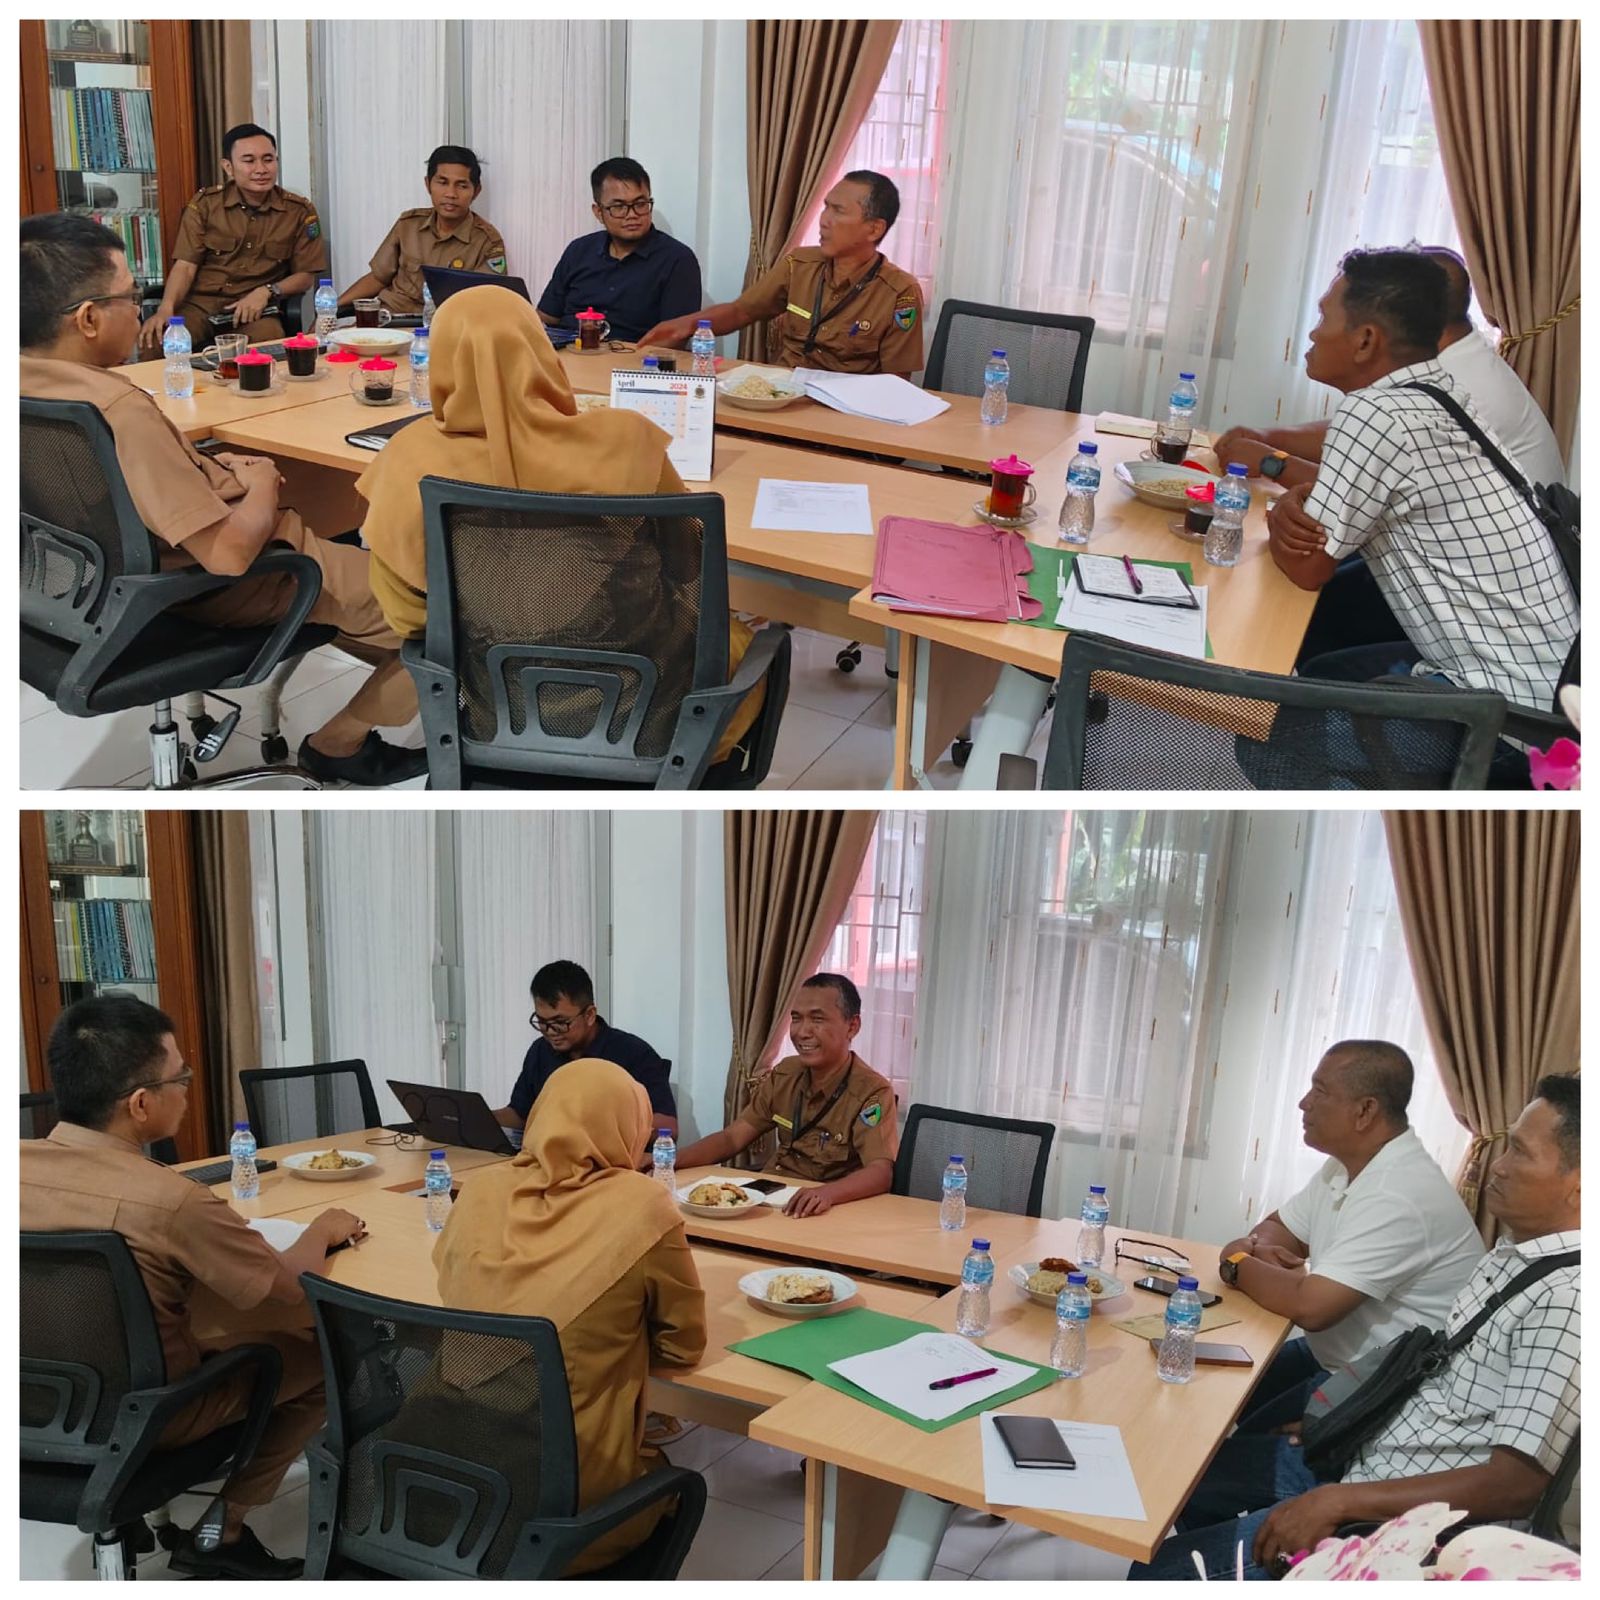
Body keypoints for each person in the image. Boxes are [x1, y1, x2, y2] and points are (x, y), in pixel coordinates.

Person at [20, 214, 424, 785]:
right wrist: (261, 481)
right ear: (88, 319)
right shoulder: (118, 408)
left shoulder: (28, 385)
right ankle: (340, 743)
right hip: (250, 577)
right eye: (131, 298)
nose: (141, 311)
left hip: (94, 588)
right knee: (456, 611)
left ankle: (377, 642)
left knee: (378, 572)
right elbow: (229, 556)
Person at [1130, 1075, 1580, 1580]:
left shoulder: (1569, 1300)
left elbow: (1515, 1484)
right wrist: (1358, 1415)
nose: (1496, 1164)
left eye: (1519, 1151)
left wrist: (1339, 1501)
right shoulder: (1515, 1252)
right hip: (1373, 1443)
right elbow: (1447, 1380)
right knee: (1194, 1477)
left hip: (1400, 1518)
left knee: (1158, 1573)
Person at [19, 996, 367, 1580]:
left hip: (28, 1404)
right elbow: (287, 1287)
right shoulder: (169, 1198)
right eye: (179, 1077)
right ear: (140, 1103)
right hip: (146, 1419)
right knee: (322, 1359)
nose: (186, 1087)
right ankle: (223, 1527)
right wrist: (322, 1230)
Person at [353, 284, 765, 766]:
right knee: (740, 641)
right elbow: (690, 570)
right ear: (541, 352)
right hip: (653, 715)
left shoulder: (407, 459)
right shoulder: (625, 439)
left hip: (497, 715)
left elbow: (407, 618)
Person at [1264, 248, 1578, 714]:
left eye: (1323, 316)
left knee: (1276, 730)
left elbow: (1308, 569)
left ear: (1366, 340)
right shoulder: (1442, 392)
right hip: (1553, 684)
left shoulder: (1375, 414)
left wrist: (1279, 518)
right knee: (1321, 664)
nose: (1312, 333)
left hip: (1508, 714)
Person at [434, 1060, 706, 1574]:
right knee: (664, 1473)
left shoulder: (480, 1192)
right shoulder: (642, 1207)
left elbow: (451, 1287)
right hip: (569, 1511)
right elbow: (683, 1345)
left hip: (445, 1478)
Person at [1215, 1042, 1480, 1434]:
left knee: (1212, 1477)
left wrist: (1236, 1262)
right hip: (1337, 1356)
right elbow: (1278, 1228)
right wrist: (1258, 1254)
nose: (1304, 1103)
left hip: (1391, 1389)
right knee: (1213, 1397)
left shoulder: (1398, 1191)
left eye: (1320, 1091)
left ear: (1365, 1111)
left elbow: (1312, 1309)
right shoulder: (1347, 1164)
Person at [1214, 246, 1566, 491]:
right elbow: (1357, 438)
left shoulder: (1457, 389)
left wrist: (1272, 460)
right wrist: (1270, 438)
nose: (1313, 331)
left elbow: (1359, 492)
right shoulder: (1447, 362)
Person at [638, 171, 925, 378]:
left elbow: (895, 384)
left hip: (845, 415)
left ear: (874, 228)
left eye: (837, 211)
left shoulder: (899, 292)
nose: (824, 220)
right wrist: (684, 326)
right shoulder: (799, 264)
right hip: (783, 397)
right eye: (825, 207)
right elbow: (741, 311)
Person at [672, 974, 897, 1217]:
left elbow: (880, 1172)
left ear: (852, 1026)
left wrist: (827, 1194)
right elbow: (733, 1138)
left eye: (817, 1019)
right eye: (796, 1019)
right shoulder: (785, 1074)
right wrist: (669, 1160)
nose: (802, 1032)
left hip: (822, 1209)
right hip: (771, 1199)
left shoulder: (871, 1092)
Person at [139, 124, 326, 352]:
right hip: (201, 306)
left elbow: (305, 276)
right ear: (228, 166)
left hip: (255, 310)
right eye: (249, 161)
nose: (261, 169)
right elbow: (185, 266)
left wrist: (267, 291)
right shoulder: (205, 206)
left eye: (268, 159)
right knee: (158, 341)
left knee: (267, 343)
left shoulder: (298, 211)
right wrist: (166, 309)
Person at [495, 959, 676, 1138]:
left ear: (589, 1015)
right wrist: (479, 1118)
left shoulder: (633, 1053)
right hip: (550, 1158)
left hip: (611, 1161)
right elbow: (520, 1114)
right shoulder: (540, 1051)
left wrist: (600, 1126)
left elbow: (668, 1127)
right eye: (542, 1022)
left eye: (560, 1022)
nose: (550, 1032)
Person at [537, 157, 701, 344]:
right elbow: (546, 316)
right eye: (619, 207)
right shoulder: (579, 251)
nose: (632, 215)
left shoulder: (677, 259)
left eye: (640, 204)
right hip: (568, 355)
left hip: (632, 363)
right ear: (598, 212)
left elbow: (675, 338)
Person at [337, 145, 507, 316]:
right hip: (390, 321)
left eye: (462, 186)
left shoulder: (487, 241)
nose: (450, 193)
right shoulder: (408, 225)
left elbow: (487, 301)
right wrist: (330, 309)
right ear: (428, 184)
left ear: (476, 191)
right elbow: (378, 277)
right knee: (340, 341)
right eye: (442, 182)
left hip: (443, 328)